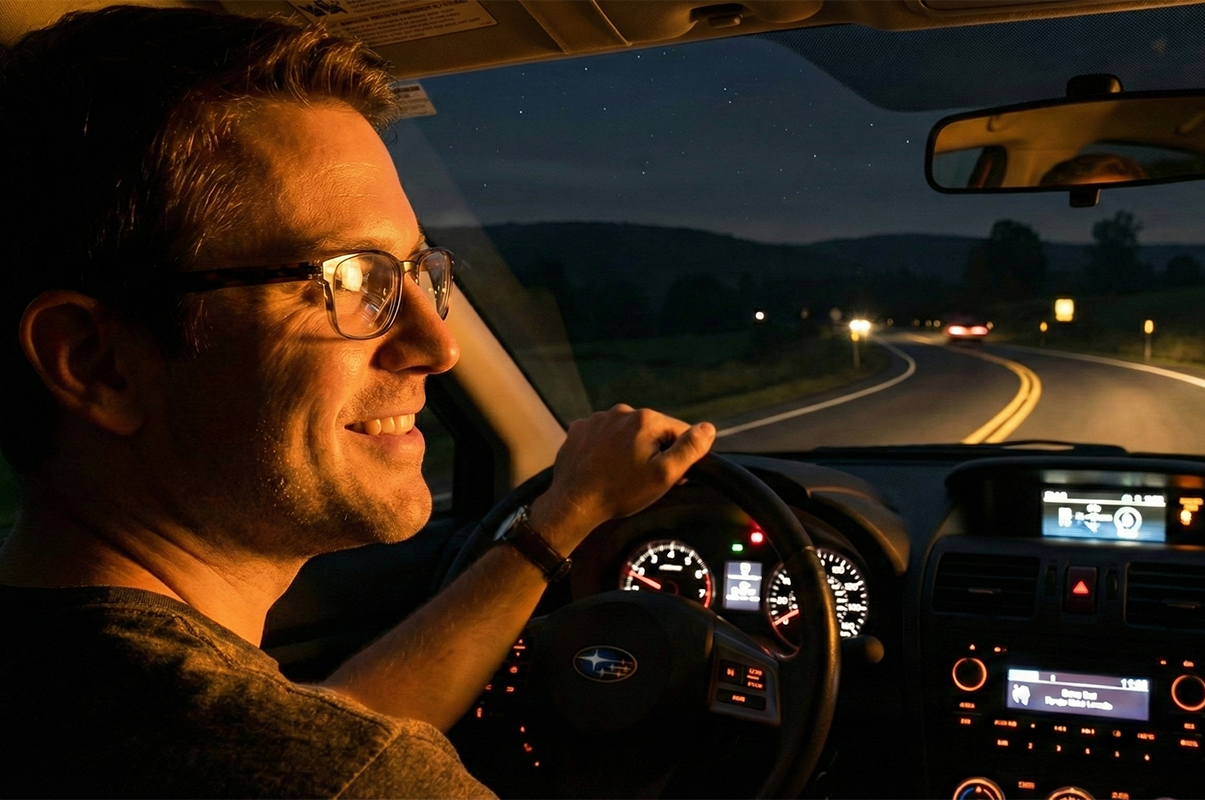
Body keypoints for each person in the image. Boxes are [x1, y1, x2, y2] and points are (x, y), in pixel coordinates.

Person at [0, 5, 715, 797]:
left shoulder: (90, 690)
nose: (438, 348)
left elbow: (326, 722)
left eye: (415, 272)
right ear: (97, 363)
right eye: (349, 279)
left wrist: (562, 519)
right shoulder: (334, 776)